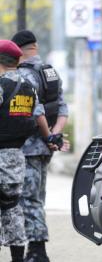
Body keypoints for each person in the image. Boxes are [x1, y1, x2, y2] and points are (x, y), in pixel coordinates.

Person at [11, 30, 69, 262]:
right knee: (37, 198)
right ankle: (35, 249)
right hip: (45, 149)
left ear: (18, 51)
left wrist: (46, 137)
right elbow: (62, 109)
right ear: (34, 47)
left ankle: (37, 251)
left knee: (28, 200)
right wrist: (54, 137)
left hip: (28, 148)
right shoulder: (50, 72)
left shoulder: (23, 76)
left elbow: (37, 112)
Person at [0, 40, 48, 262]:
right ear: (18, 60)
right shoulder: (28, 88)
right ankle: (18, 257)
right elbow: (35, 117)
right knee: (12, 209)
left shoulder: (1, 86)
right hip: (17, 158)